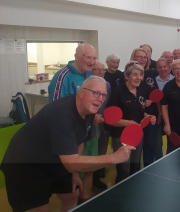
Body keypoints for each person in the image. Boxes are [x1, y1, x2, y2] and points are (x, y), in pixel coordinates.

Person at [0, 76, 134, 212]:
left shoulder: (88, 111)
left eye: (103, 95)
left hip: (54, 158)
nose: (100, 99)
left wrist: (74, 172)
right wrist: (113, 157)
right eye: (96, 93)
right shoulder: (63, 116)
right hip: (25, 165)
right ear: (81, 93)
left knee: (72, 193)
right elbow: (71, 162)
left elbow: (80, 141)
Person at [48, 43, 99, 203]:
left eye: (94, 58)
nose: (91, 62)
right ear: (77, 57)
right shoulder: (62, 77)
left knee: (89, 169)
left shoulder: (91, 75)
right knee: (74, 175)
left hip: (91, 133)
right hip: (72, 138)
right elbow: (56, 111)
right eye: (88, 57)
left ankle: (85, 203)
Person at [107, 61, 156, 183]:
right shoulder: (118, 92)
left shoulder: (141, 90)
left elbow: (140, 110)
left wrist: (148, 116)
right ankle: (122, 196)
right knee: (124, 169)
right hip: (121, 135)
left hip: (137, 133)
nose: (138, 78)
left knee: (135, 166)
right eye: (135, 74)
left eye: (140, 74)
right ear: (127, 76)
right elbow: (109, 119)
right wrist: (128, 123)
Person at [130, 48, 159, 167]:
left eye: (144, 57)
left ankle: (149, 169)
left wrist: (159, 114)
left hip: (150, 117)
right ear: (133, 57)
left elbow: (156, 94)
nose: (142, 59)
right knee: (135, 148)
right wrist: (142, 103)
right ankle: (134, 173)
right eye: (139, 57)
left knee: (149, 145)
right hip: (135, 117)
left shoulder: (151, 74)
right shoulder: (127, 74)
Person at [90, 61, 111, 192]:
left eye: (103, 70)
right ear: (91, 71)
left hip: (102, 121)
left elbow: (105, 103)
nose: (101, 72)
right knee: (90, 151)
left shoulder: (107, 85)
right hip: (90, 122)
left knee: (101, 150)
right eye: (97, 70)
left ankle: (96, 178)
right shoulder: (88, 85)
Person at [154, 58, 175, 159]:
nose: (162, 69)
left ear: (169, 67)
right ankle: (159, 163)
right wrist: (160, 114)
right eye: (160, 67)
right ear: (157, 68)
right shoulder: (153, 81)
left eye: (164, 66)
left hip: (172, 116)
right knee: (158, 144)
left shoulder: (175, 79)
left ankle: (171, 161)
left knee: (172, 142)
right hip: (158, 116)